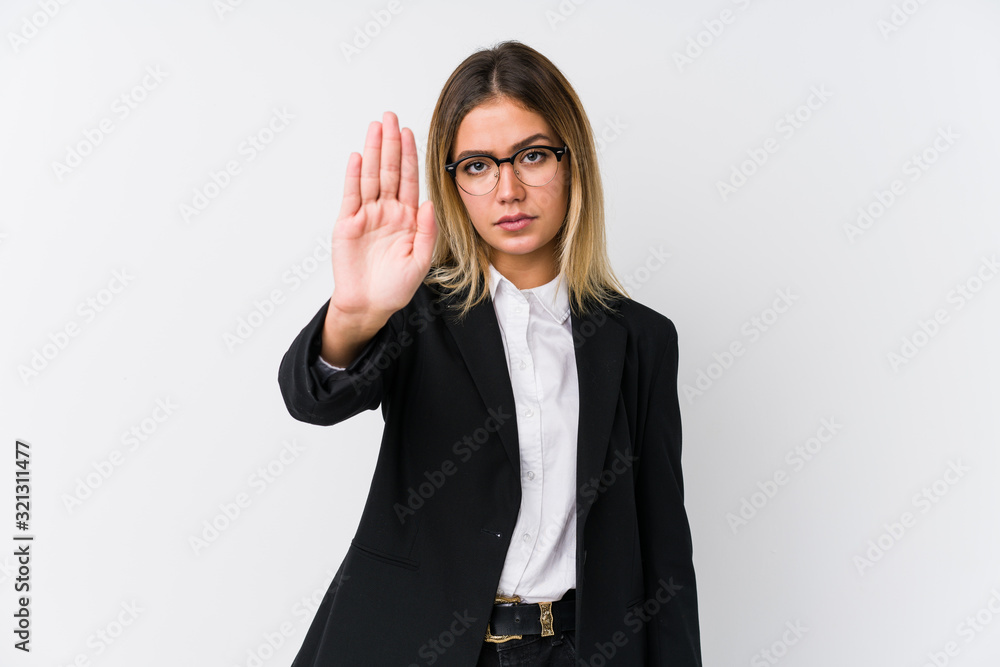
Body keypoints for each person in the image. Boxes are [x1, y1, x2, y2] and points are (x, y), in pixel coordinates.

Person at [277, 40, 702, 666]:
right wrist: (356, 314)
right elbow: (313, 398)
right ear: (453, 184)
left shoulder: (641, 341)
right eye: (477, 166)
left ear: (572, 161)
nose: (508, 189)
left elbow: (664, 546)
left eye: (531, 156)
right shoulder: (415, 312)